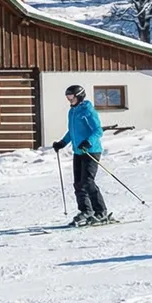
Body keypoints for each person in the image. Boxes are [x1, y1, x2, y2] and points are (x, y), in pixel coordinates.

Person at [54, 84, 111, 226]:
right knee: (78, 184)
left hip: (91, 151)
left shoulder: (88, 110)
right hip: (78, 152)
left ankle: (101, 212)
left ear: (79, 96)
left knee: (88, 182)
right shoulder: (72, 111)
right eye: (67, 97)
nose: (69, 99)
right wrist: (62, 143)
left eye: (71, 96)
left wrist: (88, 142)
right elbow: (72, 132)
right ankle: (86, 211)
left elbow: (98, 130)